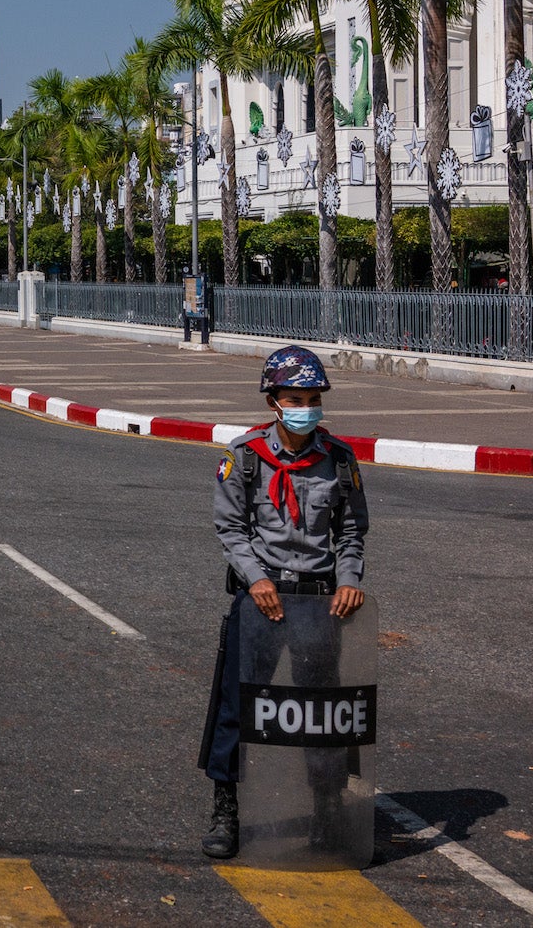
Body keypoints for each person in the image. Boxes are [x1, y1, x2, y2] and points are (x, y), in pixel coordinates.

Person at [198, 344, 368, 859]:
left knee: (322, 712)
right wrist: (254, 579)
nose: (307, 407)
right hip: (262, 600)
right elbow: (230, 528)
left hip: (318, 602)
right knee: (238, 706)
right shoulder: (246, 456)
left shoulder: (338, 459)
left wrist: (349, 578)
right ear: (274, 401)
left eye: (313, 398)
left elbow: (353, 530)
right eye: (296, 397)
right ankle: (226, 810)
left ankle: (326, 807)